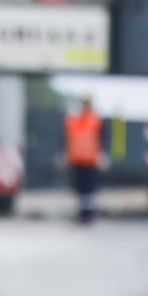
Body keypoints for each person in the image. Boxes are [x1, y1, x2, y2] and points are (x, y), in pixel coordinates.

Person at [63, 96, 102, 224]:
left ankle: (88, 215)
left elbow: (102, 138)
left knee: (89, 189)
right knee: (80, 189)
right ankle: (82, 214)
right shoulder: (74, 120)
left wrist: (102, 155)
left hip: (90, 161)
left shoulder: (95, 120)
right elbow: (68, 138)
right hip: (77, 160)